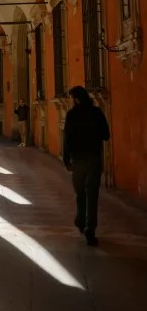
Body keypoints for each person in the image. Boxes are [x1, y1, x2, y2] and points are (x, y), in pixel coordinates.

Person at [63, 85, 110, 247]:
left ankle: (80, 220)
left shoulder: (72, 115)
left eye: (71, 98)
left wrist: (66, 160)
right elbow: (106, 135)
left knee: (80, 193)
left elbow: (66, 139)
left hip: (77, 160)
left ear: (76, 99)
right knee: (92, 194)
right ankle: (90, 230)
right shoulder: (97, 113)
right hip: (94, 159)